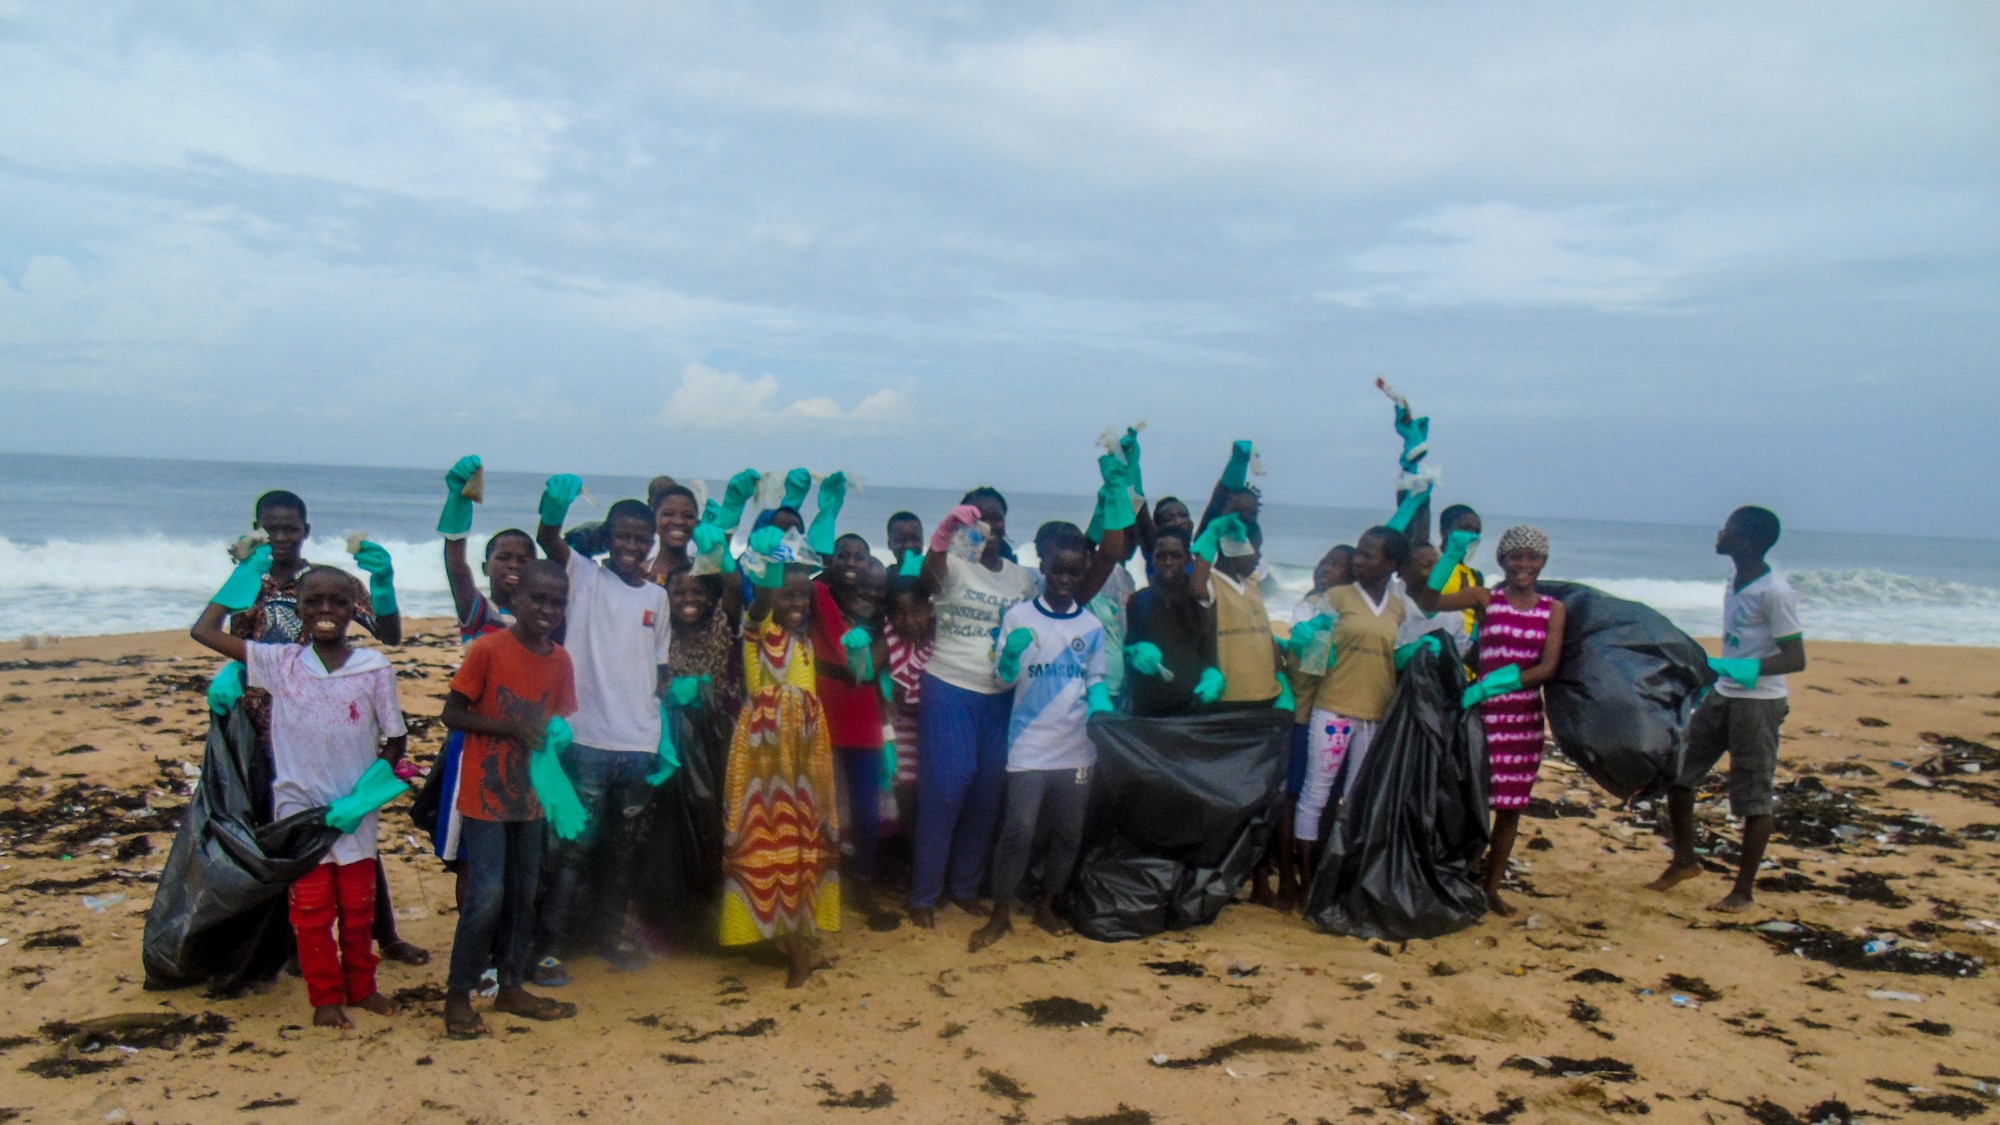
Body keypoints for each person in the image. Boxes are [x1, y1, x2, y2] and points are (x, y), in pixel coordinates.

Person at [191, 564, 409, 1030]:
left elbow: (395, 739)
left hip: (354, 817)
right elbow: (203, 631)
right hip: (300, 814)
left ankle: (362, 987)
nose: (326, 610)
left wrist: (369, 790)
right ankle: (325, 998)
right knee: (310, 915)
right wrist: (237, 584)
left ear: (355, 609)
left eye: (339, 601)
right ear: (299, 609)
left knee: (357, 911)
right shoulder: (280, 663)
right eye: (314, 602)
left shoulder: (374, 668)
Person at [220, 490, 427, 969]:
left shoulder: (328, 584)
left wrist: (385, 583)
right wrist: (227, 678)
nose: (279, 538)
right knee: (285, 836)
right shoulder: (249, 582)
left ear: (305, 531)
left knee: (351, 833)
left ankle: (385, 936)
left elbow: (389, 635)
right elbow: (237, 641)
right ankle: (293, 942)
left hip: (333, 730)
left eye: (290, 528)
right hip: (266, 727)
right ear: (256, 529)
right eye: (270, 529)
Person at [532, 478, 673, 983]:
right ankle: (550, 948)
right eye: (624, 537)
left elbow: (657, 672)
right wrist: (555, 506)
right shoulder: (584, 578)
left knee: (622, 852)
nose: (633, 547)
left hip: (638, 745)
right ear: (609, 537)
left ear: (653, 542)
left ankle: (610, 939)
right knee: (572, 850)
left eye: (642, 539)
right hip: (587, 740)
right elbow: (549, 538)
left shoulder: (659, 597)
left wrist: (662, 738)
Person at [437, 559, 580, 1037]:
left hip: (532, 798)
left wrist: (555, 736)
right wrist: (510, 728)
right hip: (484, 797)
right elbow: (451, 714)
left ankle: (513, 986)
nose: (547, 608)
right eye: (538, 598)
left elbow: (559, 721)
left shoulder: (561, 660)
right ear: (514, 599)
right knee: (487, 894)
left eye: (557, 601)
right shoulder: (489, 649)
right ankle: (458, 994)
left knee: (525, 892)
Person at [1648, 506, 1806, 913]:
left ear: (1749, 540)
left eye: (1729, 530)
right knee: (1680, 777)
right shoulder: (1736, 579)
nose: (1720, 534)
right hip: (1723, 693)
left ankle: (1743, 891)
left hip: (1759, 703)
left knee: (1753, 797)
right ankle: (1684, 859)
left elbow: (1795, 657)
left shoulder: (1775, 591)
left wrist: (1744, 669)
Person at [969, 526, 1109, 952]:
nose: (1064, 579)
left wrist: (1102, 706)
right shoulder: (1019, 617)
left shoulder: (1091, 625)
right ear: (1043, 568)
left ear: (1084, 571)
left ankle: (1047, 906)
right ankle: (1000, 914)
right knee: (1018, 831)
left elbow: (1096, 678)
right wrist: (1009, 655)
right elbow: (1001, 680)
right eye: (1057, 570)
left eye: (1073, 572)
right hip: (1028, 745)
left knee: (1068, 833)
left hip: (1077, 748)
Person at [910, 490, 1038, 928]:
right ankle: (924, 895)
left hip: (1001, 695)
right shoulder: (955, 565)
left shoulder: (1021, 578)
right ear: (967, 523)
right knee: (946, 789)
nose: (989, 527)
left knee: (986, 794)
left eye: (997, 519)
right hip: (950, 686)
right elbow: (926, 582)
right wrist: (943, 534)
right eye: (979, 518)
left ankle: (964, 888)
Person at [721, 545, 840, 987]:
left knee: (807, 846)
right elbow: (756, 610)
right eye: (788, 597)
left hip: (807, 749)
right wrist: (770, 579)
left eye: (802, 598)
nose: (796, 605)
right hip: (767, 752)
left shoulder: (803, 641)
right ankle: (793, 955)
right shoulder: (759, 631)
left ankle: (795, 943)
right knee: (774, 847)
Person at [431, 455, 536, 885]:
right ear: (487, 565)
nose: (513, 565)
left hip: (528, 748)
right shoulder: (480, 613)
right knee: (471, 852)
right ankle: (477, 946)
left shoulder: (546, 621)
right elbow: (455, 563)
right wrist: (457, 500)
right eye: (503, 557)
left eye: (523, 559)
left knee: (518, 852)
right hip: (473, 744)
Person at [1459, 527, 1566, 916]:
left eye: (1532, 557)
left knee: (1510, 807)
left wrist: (1497, 686)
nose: (1524, 565)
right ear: (1501, 560)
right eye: (1515, 557)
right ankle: (1460, 877)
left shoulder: (1553, 609)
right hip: (1483, 718)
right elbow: (1430, 600)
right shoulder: (1486, 598)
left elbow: (1548, 667)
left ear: (1543, 562)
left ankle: (1491, 888)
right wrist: (1452, 555)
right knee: (1473, 800)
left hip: (1523, 719)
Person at [1292, 526, 1408, 868]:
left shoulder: (1398, 609)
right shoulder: (1337, 599)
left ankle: (1339, 875)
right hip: (1334, 711)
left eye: (1368, 555)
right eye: (1358, 552)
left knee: (1356, 798)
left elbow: (1397, 656)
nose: (1358, 560)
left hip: (1375, 715)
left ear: (1390, 563)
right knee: (1315, 795)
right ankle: (1306, 880)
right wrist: (1307, 639)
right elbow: (1312, 659)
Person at [1263, 544, 1353, 910]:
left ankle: (1312, 870)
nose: (1326, 569)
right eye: (1325, 560)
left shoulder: (1348, 610)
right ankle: (1288, 874)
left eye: (1337, 565)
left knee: (1325, 798)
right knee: (1293, 798)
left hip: (1332, 715)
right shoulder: (1309, 607)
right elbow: (1312, 664)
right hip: (1302, 714)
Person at [812, 556, 892, 915]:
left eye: (876, 586)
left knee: (865, 808)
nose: (866, 589)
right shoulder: (818, 601)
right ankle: (819, 882)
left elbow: (863, 670)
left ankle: (862, 883)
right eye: (849, 558)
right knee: (818, 803)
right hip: (822, 715)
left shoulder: (884, 623)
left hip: (863, 717)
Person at [1188, 513, 1284, 709]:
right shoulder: (1213, 581)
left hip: (1266, 691)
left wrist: (1280, 675)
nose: (1258, 556)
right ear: (1235, 546)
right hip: (1231, 696)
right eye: (1255, 549)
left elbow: (1265, 636)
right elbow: (1197, 589)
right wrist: (1211, 537)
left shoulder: (1251, 585)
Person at [1123, 529, 1216, 718]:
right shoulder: (1138, 600)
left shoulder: (1201, 600)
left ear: (1188, 560)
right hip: (1147, 707)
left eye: (1176, 555)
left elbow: (1209, 649)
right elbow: (1127, 647)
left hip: (1192, 704)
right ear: (1152, 560)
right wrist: (1133, 653)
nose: (1168, 562)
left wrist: (1212, 675)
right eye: (1161, 556)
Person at [882, 573, 935, 848]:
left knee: (927, 791)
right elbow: (893, 690)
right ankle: (906, 850)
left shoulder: (939, 635)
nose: (908, 621)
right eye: (899, 614)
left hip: (928, 723)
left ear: (930, 610)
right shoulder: (889, 636)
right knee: (904, 788)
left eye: (916, 612)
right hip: (899, 722)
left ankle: (917, 851)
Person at [646, 483, 701, 584]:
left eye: (688, 516)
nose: (678, 521)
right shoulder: (640, 573)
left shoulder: (706, 575)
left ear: (697, 523)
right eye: (668, 514)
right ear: (654, 520)